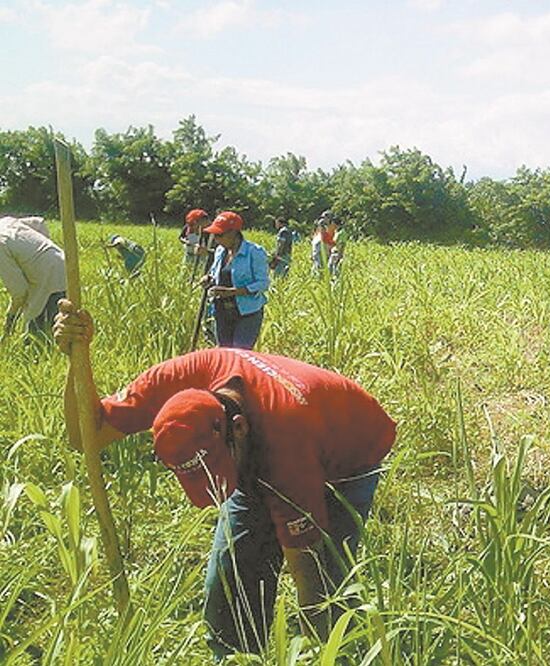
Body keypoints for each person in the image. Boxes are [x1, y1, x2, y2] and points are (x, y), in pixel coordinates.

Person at [52, 302, 397, 657]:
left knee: (326, 583)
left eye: (217, 472)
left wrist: (312, 649)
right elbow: (84, 435)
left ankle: (338, 654)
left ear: (238, 428)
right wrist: (75, 357)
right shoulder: (180, 379)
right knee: (229, 580)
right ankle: (235, 658)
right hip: (276, 438)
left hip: (353, 449)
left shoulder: (285, 448)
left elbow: (304, 566)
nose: (219, 492)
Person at [201, 211, 269, 350]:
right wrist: (208, 278)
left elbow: (263, 283)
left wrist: (232, 292)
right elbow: (216, 272)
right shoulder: (220, 251)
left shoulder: (254, 252)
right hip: (222, 311)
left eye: (220, 235)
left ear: (233, 233)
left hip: (247, 313)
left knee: (240, 355)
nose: (216, 239)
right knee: (224, 353)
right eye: (214, 235)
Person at [1, 220, 66, 342]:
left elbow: (20, 292)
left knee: (36, 342)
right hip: (62, 261)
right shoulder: (5, 221)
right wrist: (43, 252)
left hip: (49, 278)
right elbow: (38, 222)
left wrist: (11, 317)